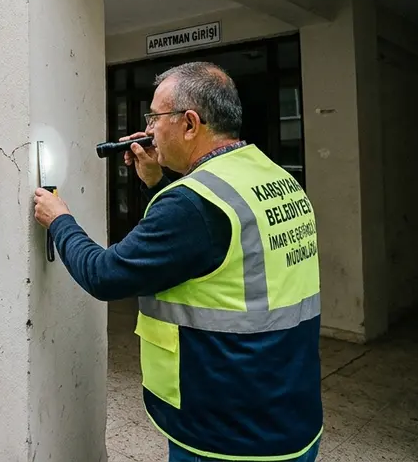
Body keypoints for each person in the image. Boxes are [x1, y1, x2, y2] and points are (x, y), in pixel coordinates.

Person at [33, 61, 322, 462]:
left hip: (227, 435)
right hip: (289, 413)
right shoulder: (272, 176)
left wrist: (59, 219)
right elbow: (208, 242)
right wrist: (158, 180)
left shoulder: (191, 204)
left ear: (189, 123)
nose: (148, 129)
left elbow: (105, 275)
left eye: (154, 116)